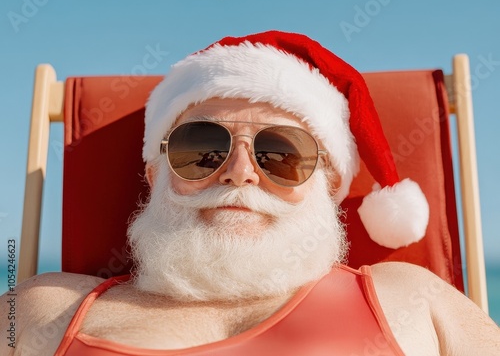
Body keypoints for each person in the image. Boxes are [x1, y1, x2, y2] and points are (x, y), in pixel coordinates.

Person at [2, 31, 500, 356]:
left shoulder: (412, 297)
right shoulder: (40, 307)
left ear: (327, 184)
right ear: (156, 175)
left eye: (281, 155)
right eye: (201, 149)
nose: (239, 173)